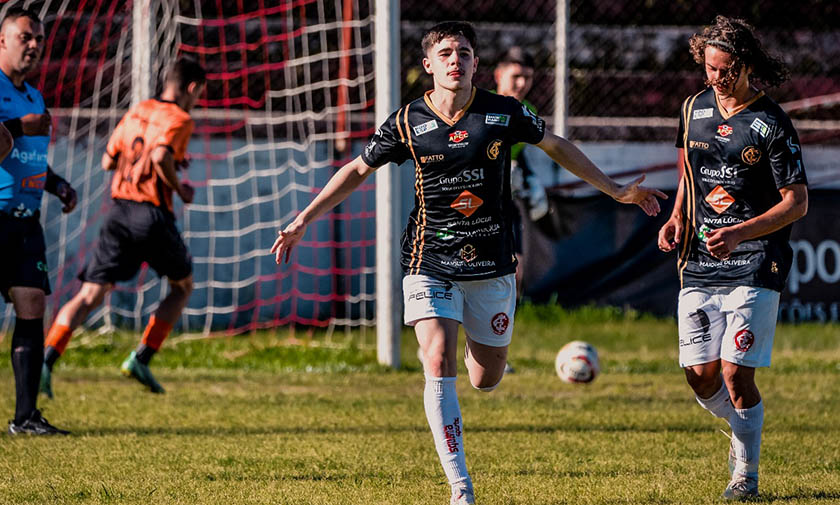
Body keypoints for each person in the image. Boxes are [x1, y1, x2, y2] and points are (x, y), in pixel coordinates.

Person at [272, 21, 665, 505]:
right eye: (445, 52)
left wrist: (616, 190)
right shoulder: (407, 121)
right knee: (436, 359)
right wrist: (303, 219)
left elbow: (557, 145)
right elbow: (357, 169)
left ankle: (469, 356)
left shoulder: (504, 112)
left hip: (492, 265)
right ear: (428, 65)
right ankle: (461, 488)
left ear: (477, 63)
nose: (455, 59)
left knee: (486, 378)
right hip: (428, 259)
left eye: (463, 52)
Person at [657, 15, 807, 500]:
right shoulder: (693, 107)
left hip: (756, 258)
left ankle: (746, 473)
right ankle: (744, 427)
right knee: (699, 377)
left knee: (735, 373)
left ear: (744, 66)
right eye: (708, 69)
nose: (715, 80)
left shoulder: (770, 122)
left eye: (724, 71)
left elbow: (797, 202)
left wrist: (740, 233)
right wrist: (678, 216)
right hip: (699, 259)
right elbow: (688, 169)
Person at [40, 57, 206, 396]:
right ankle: (141, 358)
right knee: (182, 286)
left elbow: (108, 160)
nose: (197, 100)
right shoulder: (180, 118)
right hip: (151, 215)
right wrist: (180, 187)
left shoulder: (137, 110)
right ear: (191, 87)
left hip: (118, 212)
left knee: (89, 294)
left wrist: (162, 160)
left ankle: (45, 361)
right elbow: (159, 157)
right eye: (199, 93)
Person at [0, 8, 77, 435]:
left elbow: (28, 157)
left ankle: (26, 417)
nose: (34, 45)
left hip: (25, 220)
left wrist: (59, 185)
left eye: (40, 40)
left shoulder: (34, 95)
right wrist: (15, 124)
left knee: (33, 304)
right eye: (25, 36)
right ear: (3, 40)